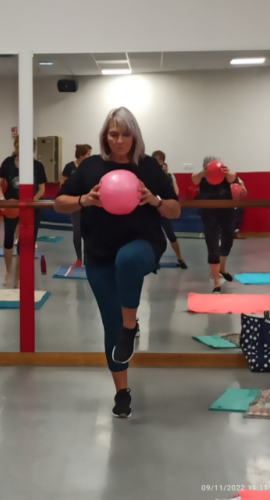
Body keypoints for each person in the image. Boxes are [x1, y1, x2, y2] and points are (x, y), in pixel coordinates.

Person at [55, 107, 180, 418]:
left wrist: (157, 201)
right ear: (105, 136)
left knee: (127, 261)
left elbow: (176, 209)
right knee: (110, 325)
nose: (120, 140)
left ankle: (130, 327)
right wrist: (85, 199)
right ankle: (121, 391)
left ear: (134, 135)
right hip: (99, 252)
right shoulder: (90, 167)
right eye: (114, 134)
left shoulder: (149, 167)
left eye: (126, 134)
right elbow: (59, 202)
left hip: (143, 245)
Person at [0, 136, 47, 288]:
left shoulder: (37, 166)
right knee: (8, 239)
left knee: (25, 242)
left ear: (32, 149)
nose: (20, 149)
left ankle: (18, 277)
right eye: (17, 146)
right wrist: (2, 199)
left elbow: (42, 189)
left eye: (23, 146)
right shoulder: (8, 162)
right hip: (12, 205)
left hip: (30, 207)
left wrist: (32, 201)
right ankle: (9, 272)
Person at [192, 156, 237, 293]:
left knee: (227, 242)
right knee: (212, 247)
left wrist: (227, 173)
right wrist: (201, 173)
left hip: (226, 214)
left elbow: (233, 178)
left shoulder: (227, 175)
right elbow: (194, 179)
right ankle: (216, 283)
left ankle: (222, 268)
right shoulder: (200, 176)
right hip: (209, 215)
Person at [152, 152, 187, 269]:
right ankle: (154, 260)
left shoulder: (169, 177)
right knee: (152, 237)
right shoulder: (149, 175)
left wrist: (167, 202)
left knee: (171, 235)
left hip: (164, 209)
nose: (158, 161)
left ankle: (180, 258)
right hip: (153, 210)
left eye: (160, 159)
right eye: (155, 159)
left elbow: (175, 192)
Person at [61, 144, 92, 267]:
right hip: (74, 203)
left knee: (88, 231)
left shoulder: (90, 167)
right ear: (81, 155)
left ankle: (87, 258)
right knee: (77, 231)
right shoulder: (69, 167)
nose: (90, 156)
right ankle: (79, 258)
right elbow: (63, 183)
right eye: (88, 154)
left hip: (88, 203)